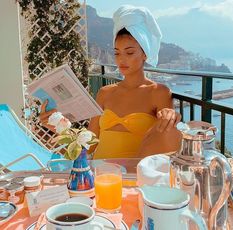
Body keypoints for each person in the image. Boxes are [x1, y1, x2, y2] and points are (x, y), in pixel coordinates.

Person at [40, 5, 182, 159]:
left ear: (145, 54)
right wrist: (58, 126)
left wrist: (171, 116)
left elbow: (167, 137)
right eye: (117, 53)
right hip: (100, 175)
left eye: (129, 52)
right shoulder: (105, 93)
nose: (121, 59)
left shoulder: (158, 92)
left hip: (134, 178)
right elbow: (89, 145)